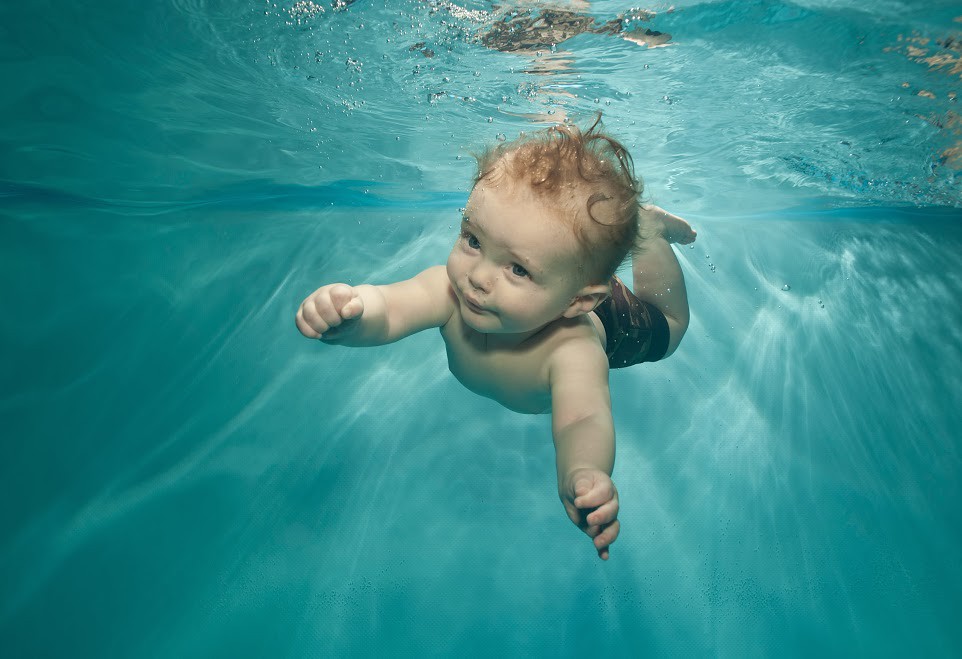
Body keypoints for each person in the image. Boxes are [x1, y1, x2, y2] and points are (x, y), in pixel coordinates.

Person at [295, 115, 695, 560]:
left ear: (578, 301)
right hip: (567, 278)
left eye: (517, 269)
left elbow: (581, 420)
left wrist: (583, 471)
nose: (479, 278)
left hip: (619, 323)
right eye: (472, 240)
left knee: (672, 326)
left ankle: (650, 232)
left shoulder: (572, 350)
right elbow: (389, 307)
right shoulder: (449, 291)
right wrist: (348, 313)